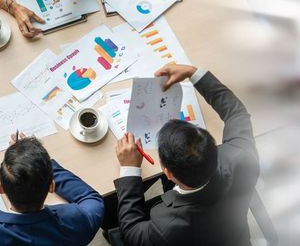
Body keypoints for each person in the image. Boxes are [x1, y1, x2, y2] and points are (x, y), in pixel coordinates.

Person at [107, 64, 260, 245]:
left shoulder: (166, 226)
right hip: (233, 234)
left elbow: (132, 233)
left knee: (109, 209)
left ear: (169, 173)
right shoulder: (243, 157)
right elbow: (237, 113)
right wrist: (193, 73)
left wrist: (130, 169)